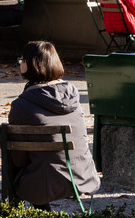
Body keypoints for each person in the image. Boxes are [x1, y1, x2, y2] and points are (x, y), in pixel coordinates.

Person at [6, 40, 100, 205]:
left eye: (22, 59)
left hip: (43, 186)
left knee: (18, 167)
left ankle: (32, 217)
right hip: (83, 177)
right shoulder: (73, 97)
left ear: (30, 64)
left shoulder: (21, 105)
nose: (20, 62)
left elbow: (18, 159)